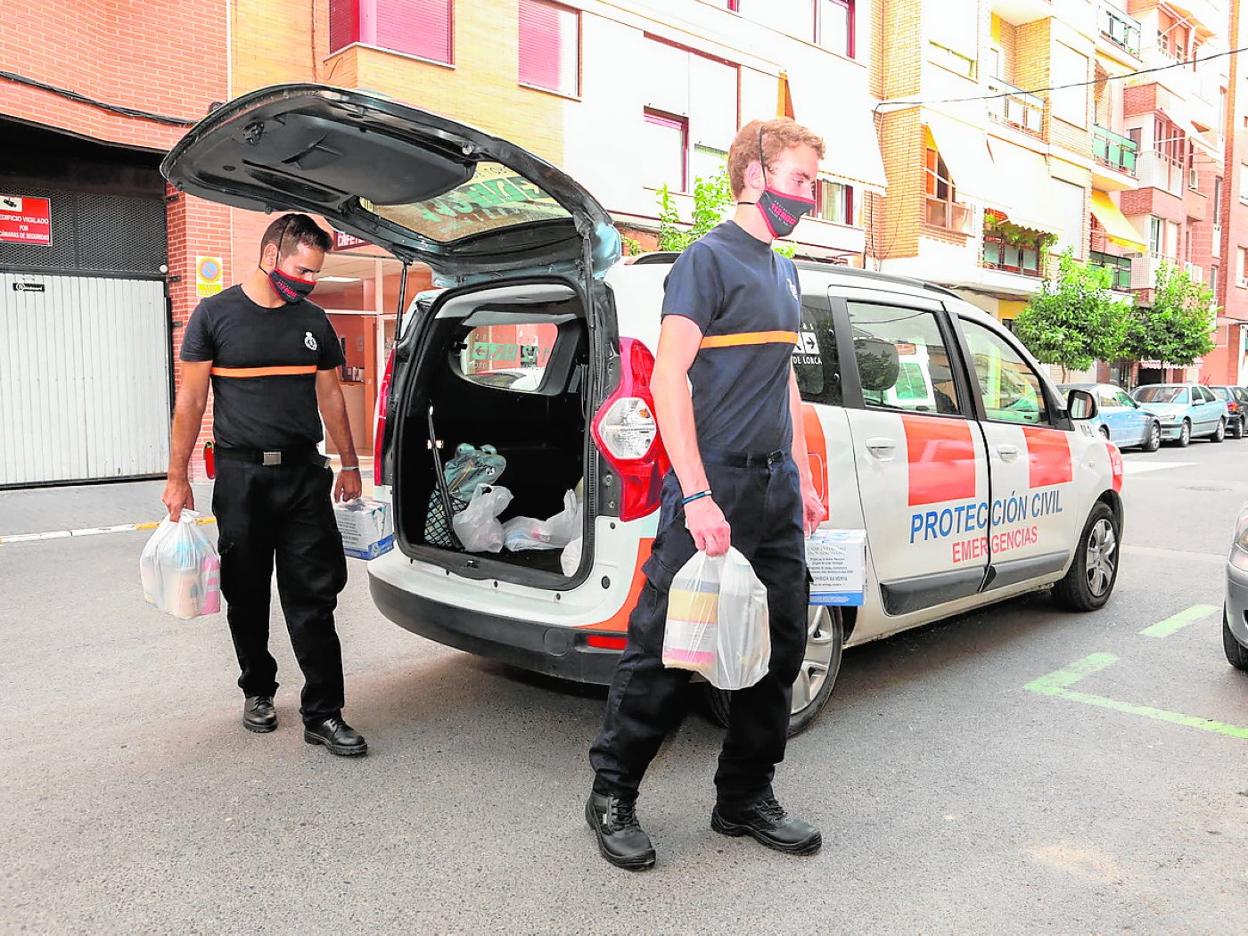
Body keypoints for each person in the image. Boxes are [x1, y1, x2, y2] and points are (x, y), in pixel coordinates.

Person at [586, 118, 828, 869]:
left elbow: (781, 379)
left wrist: (806, 478)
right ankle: (612, 794)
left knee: (779, 644)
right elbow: (666, 380)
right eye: (800, 181)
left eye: (813, 183)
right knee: (666, 647)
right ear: (754, 174)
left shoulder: (782, 270)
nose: (810, 197)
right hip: (712, 480)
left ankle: (743, 797)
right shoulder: (706, 262)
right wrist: (696, 495)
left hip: (775, 488)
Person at [162, 213, 367, 757]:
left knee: (314, 598)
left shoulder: (315, 322)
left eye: (315, 274)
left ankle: (324, 713)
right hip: (240, 475)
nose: (307, 282)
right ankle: (258, 689)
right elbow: (191, 401)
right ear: (271, 253)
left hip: (304, 475)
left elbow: (331, 399)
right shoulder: (214, 315)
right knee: (246, 595)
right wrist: (176, 476)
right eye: (301, 269)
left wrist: (349, 463)